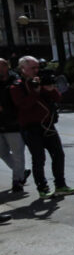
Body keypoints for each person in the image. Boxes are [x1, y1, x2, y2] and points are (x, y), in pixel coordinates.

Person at [11, 56, 74, 199]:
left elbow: (57, 98)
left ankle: (60, 185)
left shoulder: (41, 81)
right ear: (23, 69)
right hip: (31, 127)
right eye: (32, 68)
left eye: (37, 68)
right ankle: (43, 188)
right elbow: (24, 105)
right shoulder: (17, 86)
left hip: (48, 125)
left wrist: (49, 88)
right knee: (39, 158)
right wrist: (35, 91)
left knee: (58, 155)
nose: (36, 71)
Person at [0, 58, 28, 193]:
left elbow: (18, 101)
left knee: (18, 154)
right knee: (2, 153)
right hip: (0, 123)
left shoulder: (16, 80)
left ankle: (17, 181)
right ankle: (21, 171)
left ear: (6, 66)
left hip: (13, 123)